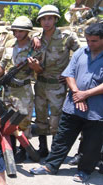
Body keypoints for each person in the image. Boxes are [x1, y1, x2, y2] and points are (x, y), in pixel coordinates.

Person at [30, 23, 103, 183]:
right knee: (62, 138)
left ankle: (84, 170)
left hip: (96, 110)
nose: (90, 44)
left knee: (92, 143)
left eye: (94, 41)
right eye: (88, 40)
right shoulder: (80, 52)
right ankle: (50, 165)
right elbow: (69, 74)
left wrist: (86, 94)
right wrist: (77, 93)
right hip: (73, 105)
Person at [0, 16, 43, 163]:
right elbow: (2, 66)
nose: (17, 34)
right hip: (8, 89)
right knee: (7, 121)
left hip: (23, 89)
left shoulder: (34, 47)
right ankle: (10, 149)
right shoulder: (10, 44)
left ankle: (23, 151)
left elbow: (40, 70)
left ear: (27, 32)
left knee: (23, 122)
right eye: (15, 31)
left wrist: (35, 67)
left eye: (21, 31)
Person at [33, 5, 80, 158]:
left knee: (56, 119)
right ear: (40, 21)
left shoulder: (67, 37)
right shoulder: (36, 38)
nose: (47, 22)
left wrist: (69, 73)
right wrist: (34, 37)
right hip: (40, 83)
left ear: (55, 19)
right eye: (44, 19)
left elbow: (80, 56)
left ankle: (55, 151)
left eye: (50, 18)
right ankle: (42, 148)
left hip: (57, 85)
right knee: (40, 117)